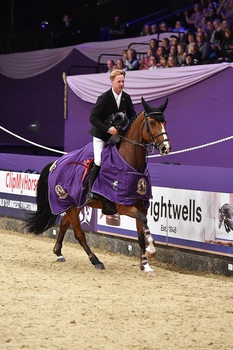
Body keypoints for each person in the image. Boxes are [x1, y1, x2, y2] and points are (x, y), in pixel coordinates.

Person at [87, 69, 136, 201]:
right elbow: (93, 118)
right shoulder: (104, 97)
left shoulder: (126, 97)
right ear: (112, 81)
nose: (121, 84)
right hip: (101, 134)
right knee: (98, 160)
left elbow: (133, 117)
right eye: (119, 81)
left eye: (123, 81)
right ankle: (90, 190)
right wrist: (108, 129)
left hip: (116, 134)